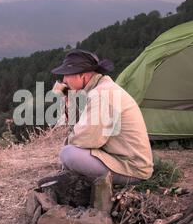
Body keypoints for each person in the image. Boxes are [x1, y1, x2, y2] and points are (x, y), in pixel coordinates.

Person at [44, 49, 153, 186]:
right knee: (70, 151)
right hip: (121, 160)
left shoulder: (101, 94)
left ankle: (78, 181)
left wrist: (69, 141)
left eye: (67, 75)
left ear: (82, 75)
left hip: (132, 170)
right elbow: (83, 130)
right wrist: (69, 103)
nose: (64, 80)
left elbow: (87, 140)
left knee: (68, 154)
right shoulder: (101, 89)